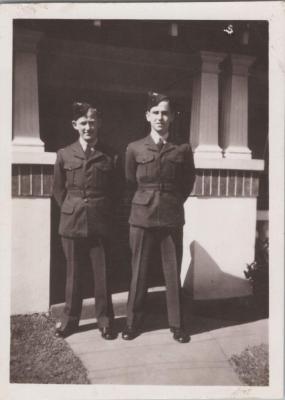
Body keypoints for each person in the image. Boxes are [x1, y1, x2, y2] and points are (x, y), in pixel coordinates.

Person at [122, 92, 196, 343]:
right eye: (155, 112)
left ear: (172, 116)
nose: (160, 117)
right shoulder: (134, 148)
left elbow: (187, 182)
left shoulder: (182, 148)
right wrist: (147, 199)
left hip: (171, 215)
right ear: (147, 116)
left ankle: (176, 324)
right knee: (138, 271)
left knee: (172, 273)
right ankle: (132, 322)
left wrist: (171, 201)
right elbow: (130, 181)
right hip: (141, 215)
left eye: (165, 113)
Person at [53, 101, 118, 340]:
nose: (88, 127)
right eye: (83, 123)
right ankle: (70, 320)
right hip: (72, 222)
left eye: (92, 122)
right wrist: (73, 208)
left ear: (98, 123)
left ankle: (105, 320)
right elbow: (59, 190)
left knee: (103, 274)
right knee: (73, 274)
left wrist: (101, 210)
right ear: (75, 125)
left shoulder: (110, 154)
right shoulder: (64, 154)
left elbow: (117, 190)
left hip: (101, 221)